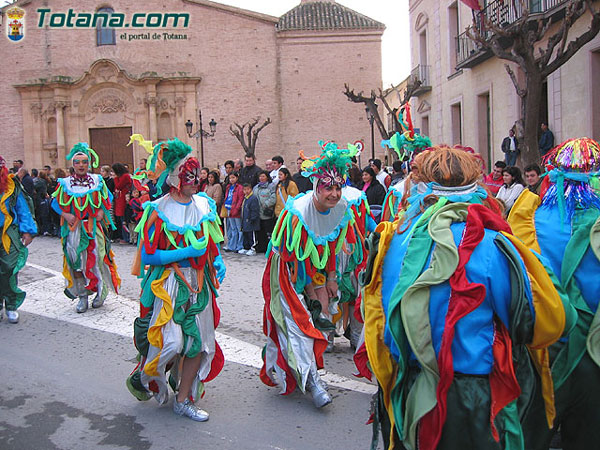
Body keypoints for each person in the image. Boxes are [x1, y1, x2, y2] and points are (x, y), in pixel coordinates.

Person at [362, 145, 575, 450]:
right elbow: (544, 324)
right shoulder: (492, 245)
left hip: (406, 394)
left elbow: (377, 319)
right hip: (470, 402)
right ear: (476, 188)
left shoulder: (391, 240)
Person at [260, 141, 368, 409]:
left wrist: (331, 277)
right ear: (316, 187)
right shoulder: (300, 213)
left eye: (337, 187)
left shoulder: (342, 207)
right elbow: (298, 258)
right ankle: (313, 382)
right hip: (287, 269)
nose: (334, 193)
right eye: (328, 187)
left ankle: (303, 370)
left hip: (316, 267)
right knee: (301, 324)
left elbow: (331, 242)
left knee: (319, 319)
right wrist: (312, 291)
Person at [508, 138, 600, 450]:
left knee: (531, 438)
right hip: (594, 356)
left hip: (542, 352)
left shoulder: (527, 219)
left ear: (553, 174)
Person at [126, 137, 226, 422]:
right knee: (172, 342)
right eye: (189, 178)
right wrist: (184, 251)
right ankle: (150, 375)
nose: (196, 183)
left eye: (197, 178)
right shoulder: (157, 209)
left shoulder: (205, 205)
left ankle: (184, 399)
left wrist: (216, 260)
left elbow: (212, 241)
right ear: (175, 179)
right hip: (169, 284)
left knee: (199, 343)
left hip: (199, 282)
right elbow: (148, 256)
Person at [51, 143, 120, 313]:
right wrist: (66, 214)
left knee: (98, 259)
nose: (81, 165)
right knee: (76, 263)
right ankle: (82, 296)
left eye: (84, 162)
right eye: (77, 162)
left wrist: (102, 213)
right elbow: (55, 202)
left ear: (89, 164)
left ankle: (100, 292)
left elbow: (108, 198)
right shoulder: (65, 183)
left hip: (93, 229)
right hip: (74, 229)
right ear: (73, 165)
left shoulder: (97, 181)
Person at [0, 156, 36, 323]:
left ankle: (11, 304)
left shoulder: (12, 185)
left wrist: (28, 231)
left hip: (9, 233)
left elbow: (22, 208)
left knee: (10, 267)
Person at [253, 170, 276, 253]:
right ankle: (260, 247)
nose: (261, 178)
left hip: (266, 212)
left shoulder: (271, 186)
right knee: (259, 232)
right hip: (257, 213)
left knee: (268, 231)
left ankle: (268, 248)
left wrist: (265, 204)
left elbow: (273, 198)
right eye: (260, 176)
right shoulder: (256, 187)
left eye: (263, 176)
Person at [222, 172, 244, 252]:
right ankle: (232, 245)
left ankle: (239, 245)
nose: (231, 179)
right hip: (228, 209)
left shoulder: (240, 187)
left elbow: (240, 199)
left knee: (239, 228)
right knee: (232, 228)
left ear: (237, 178)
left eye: (233, 178)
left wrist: (237, 208)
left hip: (236, 210)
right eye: (230, 178)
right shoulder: (228, 187)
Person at [112, 163, 133, 244]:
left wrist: (115, 178)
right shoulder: (123, 176)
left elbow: (118, 186)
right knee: (121, 219)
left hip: (124, 200)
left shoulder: (125, 176)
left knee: (124, 219)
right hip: (120, 199)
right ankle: (124, 237)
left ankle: (126, 238)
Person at [240, 183, 259, 256]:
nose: (246, 191)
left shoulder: (253, 198)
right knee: (245, 234)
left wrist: (252, 218)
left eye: (248, 189)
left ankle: (253, 248)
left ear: (251, 189)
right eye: (244, 189)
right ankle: (246, 247)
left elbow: (254, 210)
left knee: (251, 235)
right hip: (245, 220)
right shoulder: (246, 198)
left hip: (251, 221)